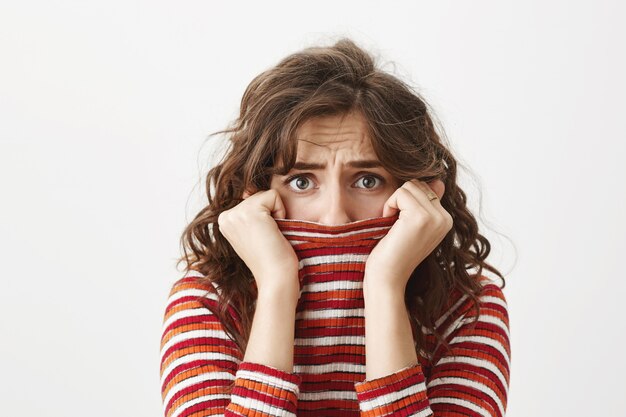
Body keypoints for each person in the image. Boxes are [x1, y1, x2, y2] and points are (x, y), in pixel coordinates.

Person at [160, 38, 511, 417]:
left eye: (367, 181)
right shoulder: (209, 300)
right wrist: (277, 285)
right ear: (255, 196)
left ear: (421, 192)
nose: (334, 217)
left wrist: (384, 285)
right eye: (302, 181)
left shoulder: (465, 307)